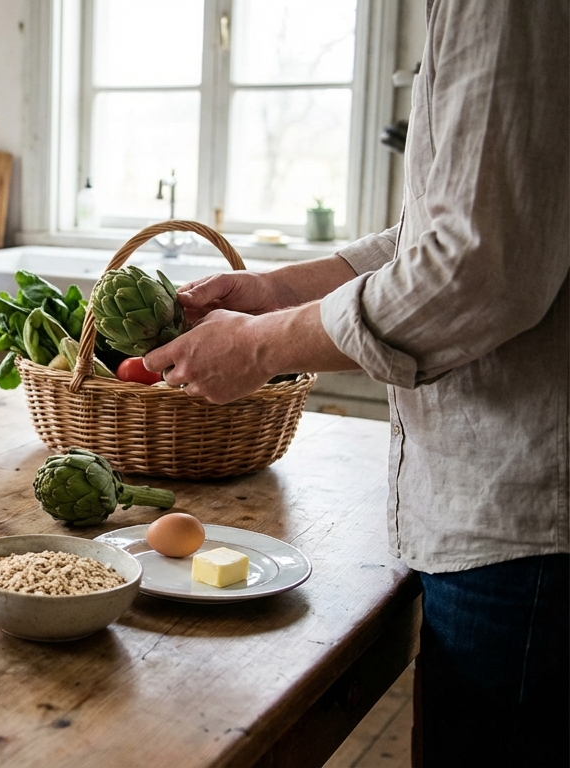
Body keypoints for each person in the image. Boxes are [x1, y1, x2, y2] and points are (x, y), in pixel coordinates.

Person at [141, 3, 568, 764]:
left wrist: (262, 346)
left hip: (527, 525)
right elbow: (430, 233)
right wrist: (272, 292)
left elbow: (473, 269)